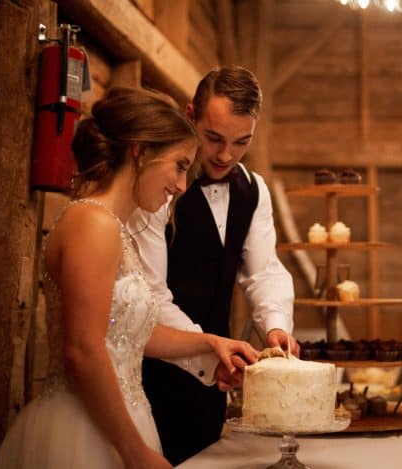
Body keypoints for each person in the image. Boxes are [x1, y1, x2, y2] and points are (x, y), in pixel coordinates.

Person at [0, 87, 258, 469]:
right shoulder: (93, 223)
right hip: (83, 430)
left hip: (119, 422)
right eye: (180, 165)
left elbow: (125, 333)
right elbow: (83, 351)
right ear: (141, 152)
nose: (182, 186)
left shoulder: (115, 228)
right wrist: (135, 452)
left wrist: (210, 342)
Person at [130, 66, 299, 464]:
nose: (226, 155)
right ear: (191, 115)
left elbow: (264, 272)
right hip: (150, 375)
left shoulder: (254, 190)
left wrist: (276, 329)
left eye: (242, 142)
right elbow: (152, 295)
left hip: (214, 386)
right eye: (213, 138)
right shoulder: (160, 184)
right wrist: (211, 354)